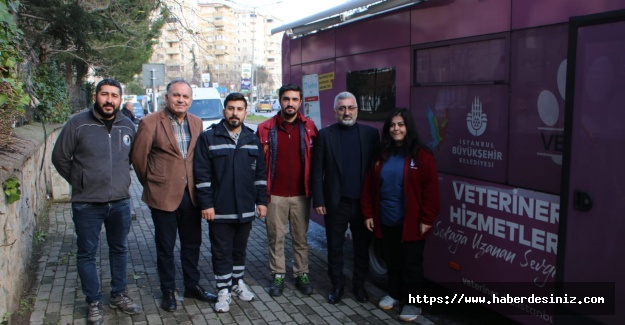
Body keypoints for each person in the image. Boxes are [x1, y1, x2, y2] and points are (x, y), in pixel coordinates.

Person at [51, 78, 141, 325]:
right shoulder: (78, 124)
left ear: (120, 99)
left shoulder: (128, 125)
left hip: (121, 202)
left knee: (120, 249)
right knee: (87, 254)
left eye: (114, 95)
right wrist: (80, 181)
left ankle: (118, 295)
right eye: (104, 94)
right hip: (87, 204)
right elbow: (59, 157)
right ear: (95, 96)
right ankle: (93, 302)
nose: (109, 100)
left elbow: (133, 158)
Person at [131, 79, 217, 312]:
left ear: (190, 100)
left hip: (191, 196)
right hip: (163, 196)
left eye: (185, 97)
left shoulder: (197, 123)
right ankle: (168, 290)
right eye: (176, 95)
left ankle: (192, 285)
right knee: (165, 247)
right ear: (167, 97)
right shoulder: (149, 123)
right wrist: (152, 184)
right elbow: (139, 159)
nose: (181, 100)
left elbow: (198, 158)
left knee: (192, 245)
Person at [360, 108, 440, 322]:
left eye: (401, 125)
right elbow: (369, 187)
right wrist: (368, 213)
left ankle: (413, 303)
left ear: (408, 128)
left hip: (412, 223)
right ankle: (394, 294)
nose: (396, 129)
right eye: (393, 125)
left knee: (411, 265)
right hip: (385, 220)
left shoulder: (422, 155)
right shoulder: (381, 155)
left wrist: (427, 219)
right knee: (392, 262)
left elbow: (431, 191)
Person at [194, 92, 268, 312]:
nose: (235, 113)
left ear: (245, 112)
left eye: (239, 109)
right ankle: (223, 290)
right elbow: (202, 175)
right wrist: (206, 204)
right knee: (221, 250)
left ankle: (237, 283)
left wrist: (261, 201)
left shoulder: (252, 138)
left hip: (245, 209)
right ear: (224, 110)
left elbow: (261, 174)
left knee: (240, 249)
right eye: (230, 108)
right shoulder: (209, 137)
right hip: (220, 209)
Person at [311, 91, 380, 304]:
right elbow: (317, 171)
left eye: (351, 108)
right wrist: (319, 200)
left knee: (361, 248)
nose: (347, 112)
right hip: (335, 203)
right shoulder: (325, 135)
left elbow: (376, 170)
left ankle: (359, 286)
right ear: (335, 112)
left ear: (357, 110)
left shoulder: (370, 135)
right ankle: (337, 286)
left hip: (363, 204)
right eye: (342, 108)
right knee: (335, 247)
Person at [256, 83, 319, 296]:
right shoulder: (265, 128)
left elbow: (316, 162)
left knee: (301, 238)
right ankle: (278, 275)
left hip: (301, 195)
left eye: (294, 99)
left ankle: (302, 273)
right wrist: (260, 198)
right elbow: (258, 166)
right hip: (275, 195)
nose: (290, 103)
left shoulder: (309, 127)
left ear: (300, 102)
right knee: (276, 237)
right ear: (280, 101)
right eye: (286, 99)